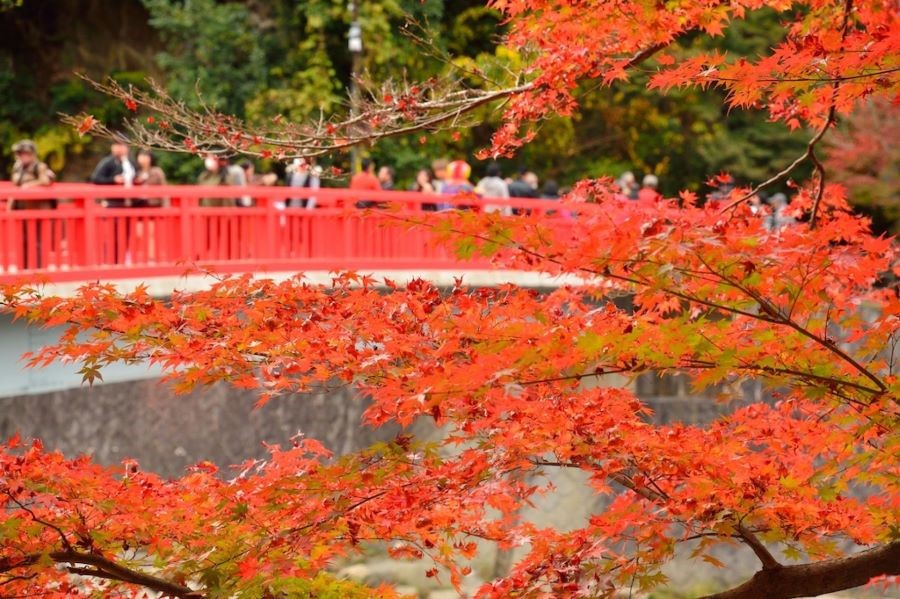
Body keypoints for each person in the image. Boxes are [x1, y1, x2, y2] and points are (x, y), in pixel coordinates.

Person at [9, 140, 56, 269]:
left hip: (38, 208)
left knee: (37, 240)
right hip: (22, 208)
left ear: (32, 154)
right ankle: (24, 267)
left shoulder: (39, 166)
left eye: (26, 153)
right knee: (23, 239)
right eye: (20, 153)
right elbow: (15, 185)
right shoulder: (17, 167)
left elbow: (46, 180)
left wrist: (29, 185)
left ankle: (38, 268)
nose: (23, 156)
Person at [90, 138, 135, 207]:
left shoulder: (130, 162)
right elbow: (96, 178)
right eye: (117, 145)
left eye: (121, 145)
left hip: (130, 199)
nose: (119, 148)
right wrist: (113, 179)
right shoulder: (108, 162)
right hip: (111, 199)